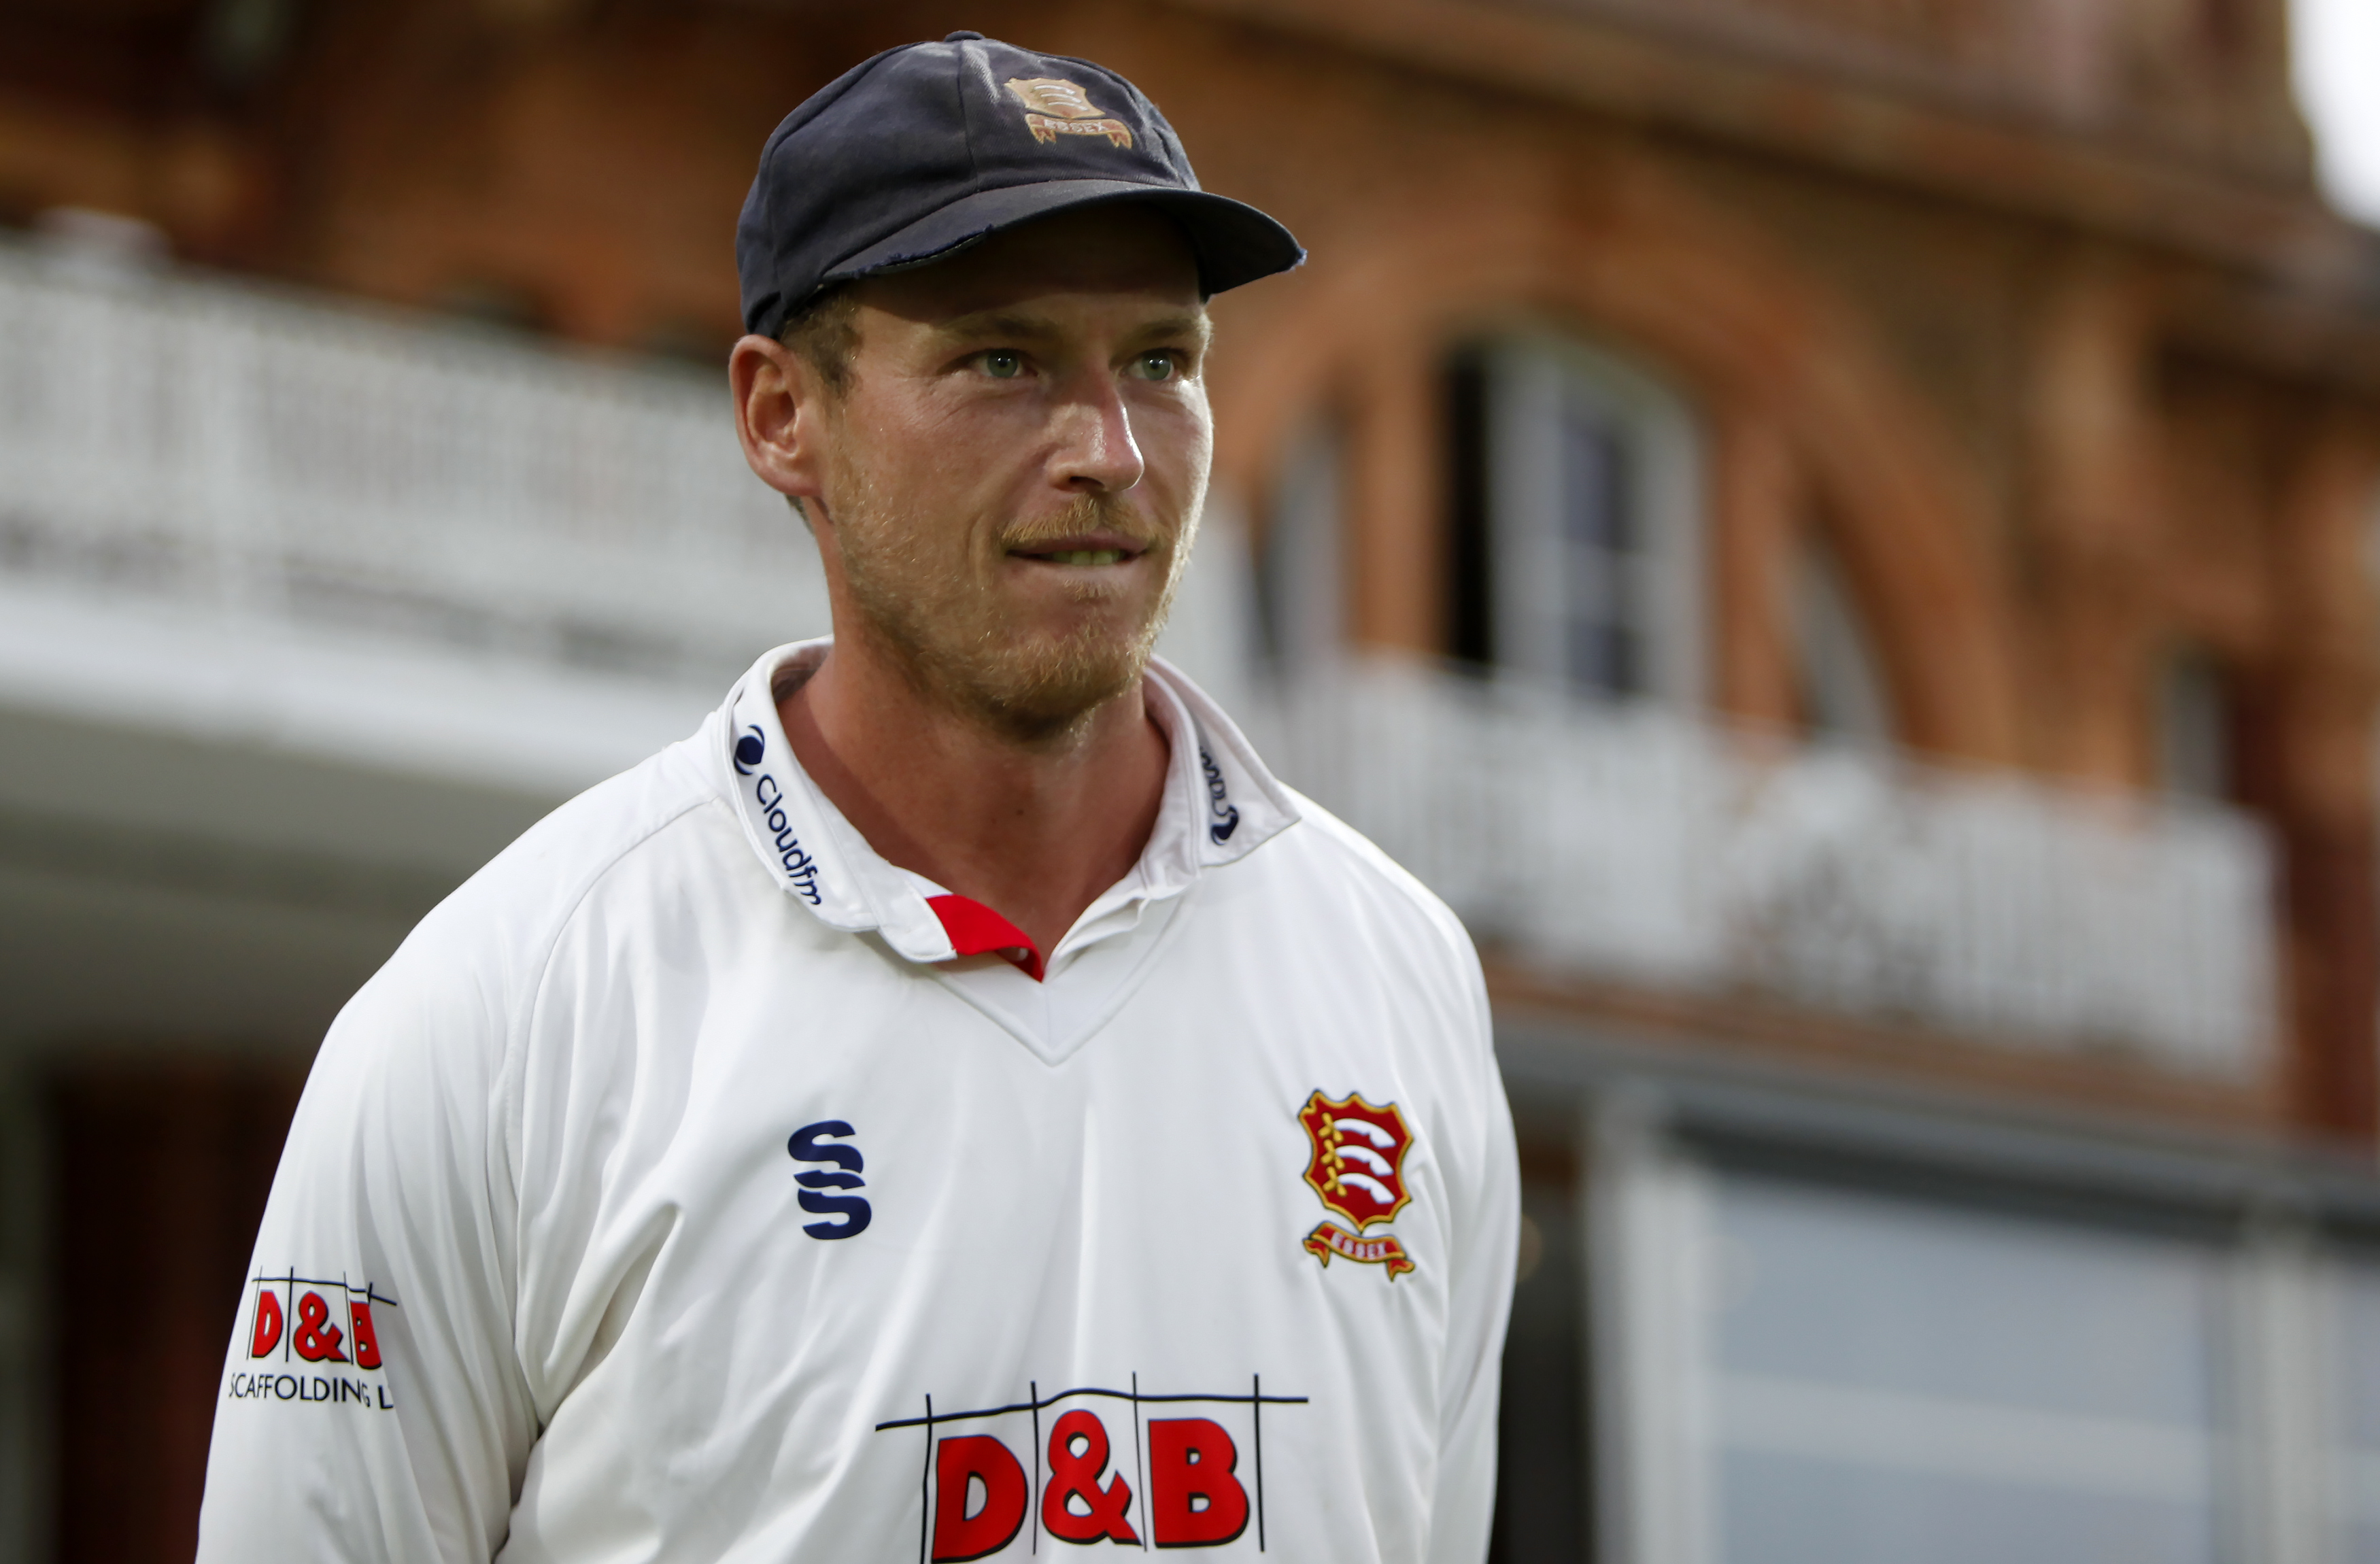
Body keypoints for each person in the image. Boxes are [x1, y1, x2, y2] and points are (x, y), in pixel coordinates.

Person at [197, 32, 1518, 1563]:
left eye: (1160, 362)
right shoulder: (508, 1007)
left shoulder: (1398, 972)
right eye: (1000, 360)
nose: (1107, 450)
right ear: (780, 417)